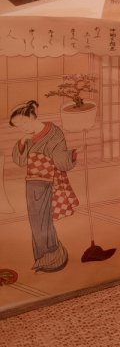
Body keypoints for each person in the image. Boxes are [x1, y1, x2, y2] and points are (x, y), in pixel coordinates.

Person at [9, 99, 79, 274]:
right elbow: (20, 161)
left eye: (24, 122)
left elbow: (61, 159)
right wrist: (22, 142)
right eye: (19, 126)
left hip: (48, 182)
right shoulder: (29, 137)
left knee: (43, 221)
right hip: (31, 183)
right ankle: (42, 257)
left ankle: (53, 256)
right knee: (35, 222)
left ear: (33, 115)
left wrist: (71, 156)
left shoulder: (53, 133)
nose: (23, 128)